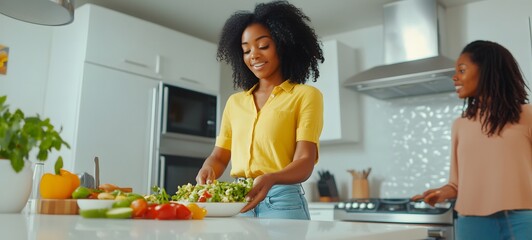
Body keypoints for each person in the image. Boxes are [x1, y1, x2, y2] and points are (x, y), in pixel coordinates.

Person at [195, 1, 324, 219]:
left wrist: (271, 177)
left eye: (263, 46)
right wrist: (208, 168)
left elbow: (304, 162)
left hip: (281, 200)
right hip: (238, 201)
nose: (253, 55)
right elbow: (219, 157)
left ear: (283, 45)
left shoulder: (305, 96)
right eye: (246, 50)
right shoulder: (235, 103)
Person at [412, 40, 532, 239]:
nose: (455, 77)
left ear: (487, 70)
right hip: (471, 223)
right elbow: (456, 184)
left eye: (462, 70)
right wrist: (442, 193)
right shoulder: (460, 124)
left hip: (523, 219)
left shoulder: (527, 115)